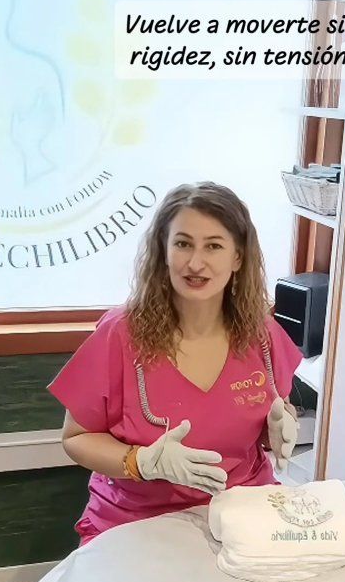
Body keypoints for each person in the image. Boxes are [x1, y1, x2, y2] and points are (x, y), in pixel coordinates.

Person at [49, 181, 302, 545]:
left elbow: (275, 407)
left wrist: (281, 425)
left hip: (241, 507)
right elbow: (76, 438)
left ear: (238, 257)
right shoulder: (120, 334)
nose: (195, 263)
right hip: (136, 518)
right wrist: (142, 462)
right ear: (163, 251)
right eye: (183, 243)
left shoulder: (261, 334)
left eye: (213, 246)